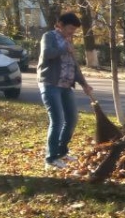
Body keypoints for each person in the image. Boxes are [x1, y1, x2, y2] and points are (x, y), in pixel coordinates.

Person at [38, 12, 95, 170]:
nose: (72, 33)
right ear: (60, 25)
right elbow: (47, 54)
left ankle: (62, 152)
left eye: (74, 30)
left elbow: (74, 66)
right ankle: (50, 158)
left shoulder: (68, 40)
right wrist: (64, 48)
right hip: (50, 84)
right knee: (57, 121)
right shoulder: (49, 37)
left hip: (66, 86)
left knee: (72, 119)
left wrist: (84, 83)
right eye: (70, 29)